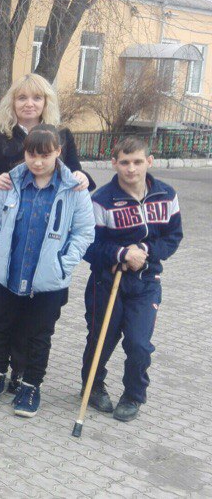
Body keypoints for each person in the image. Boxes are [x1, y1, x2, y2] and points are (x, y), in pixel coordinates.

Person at [0, 73, 94, 391]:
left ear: (46, 102)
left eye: (36, 98)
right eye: (22, 98)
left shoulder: (61, 136)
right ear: (12, 102)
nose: (29, 104)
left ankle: (20, 371)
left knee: (32, 306)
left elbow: (74, 176)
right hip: (0, 230)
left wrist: (83, 176)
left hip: (43, 238)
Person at [0, 125, 94, 418]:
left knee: (39, 335)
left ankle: (30, 386)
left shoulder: (73, 188)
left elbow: (84, 231)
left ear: (58, 152)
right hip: (9, 273)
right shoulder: (12, 182)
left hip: (47, 279)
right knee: (0, 327)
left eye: (45, 155)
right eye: (32, 154)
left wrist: (64, 264)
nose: (38, 162)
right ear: (25, 153)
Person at [80, 137, 182, 422]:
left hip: (146, 282)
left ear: (149, 161)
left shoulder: (166, 194)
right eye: (124, 162)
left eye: (138, 161)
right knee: (101, 338)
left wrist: (144, 251)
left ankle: (133, 395)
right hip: (106, 281)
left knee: (139, 343)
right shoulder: (101, 199)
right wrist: (121, 253)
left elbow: (173, 237)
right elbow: (88, 245)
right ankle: (92, 386)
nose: (131, 169)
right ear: (114, 163)